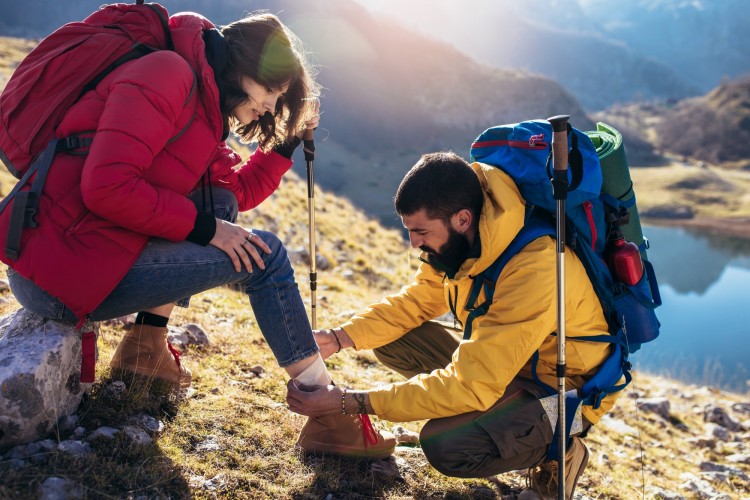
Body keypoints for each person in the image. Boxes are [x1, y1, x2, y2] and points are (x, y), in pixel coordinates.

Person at [0, 10, 394, 458]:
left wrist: (285, 143)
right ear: (244, 66)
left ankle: (142, 351)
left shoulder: (203, 107)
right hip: (60, 269)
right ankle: (328, 410)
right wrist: (208, 231)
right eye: (270, 92)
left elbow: (235, 194)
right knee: (266, 257)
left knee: (219, 207)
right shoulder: (166, 75)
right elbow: (105, 186)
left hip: (90, 253)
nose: (268, 106)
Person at [287, 151, 621, 498]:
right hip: (506, 365)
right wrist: (340, 338)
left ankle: (561, 450)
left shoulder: (536, 267)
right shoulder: (458, 243)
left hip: (565, 389)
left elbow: (472, 385)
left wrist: (349, 402)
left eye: (420, 232)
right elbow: (416, 302)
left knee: (447, 445)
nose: (414, 243)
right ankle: (502, 422)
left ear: (462, 219)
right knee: (393, 336)